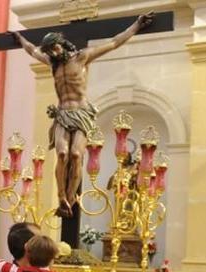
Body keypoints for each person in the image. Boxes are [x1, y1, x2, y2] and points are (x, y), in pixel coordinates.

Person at [11, 13, 153, 217]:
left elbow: (113, 43)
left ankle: (69, 199)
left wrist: (136, 26)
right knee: (61, 153)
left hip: (81, 113)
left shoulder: (82, 57)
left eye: (55, 47)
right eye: (50, 50)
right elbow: (32, 50)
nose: (53, 52)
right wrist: (20, 39)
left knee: (76, 155)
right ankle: (61, 196)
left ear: (62, 44)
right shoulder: (53, 63)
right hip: (62, 114)